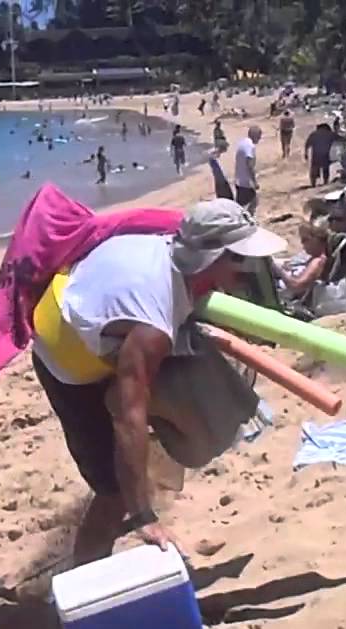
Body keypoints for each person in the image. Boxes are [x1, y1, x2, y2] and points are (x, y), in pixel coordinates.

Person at [31, 199, 286, 562]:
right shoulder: (152, 325)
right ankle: (86, 575)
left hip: (94, 315)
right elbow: (126, 411)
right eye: (239, 259)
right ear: (212, 258)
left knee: (186, 378)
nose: (247, 270)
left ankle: (136, 481)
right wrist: (142, 515)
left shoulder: (167, 246)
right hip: (66, 363)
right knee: (112, 494)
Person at [234, 125, 262, 214]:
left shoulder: (242, 143)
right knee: (253, 202)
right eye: (259, 136)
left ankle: (245, 221)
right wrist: (254, 181)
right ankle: (249, 222)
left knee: (241, 206)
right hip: (246, 182)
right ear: (255, 135)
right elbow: (249, 165)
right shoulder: (250, 146)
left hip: (238, 179)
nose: (259, 139)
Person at [305, 122, 337, 187]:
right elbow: (338, 141)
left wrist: (305, 153)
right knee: (325, 169)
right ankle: (325, 182)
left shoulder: (314, 134)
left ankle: (313, 183)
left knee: (314, 168)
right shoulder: (330, 134)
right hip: (326, 154)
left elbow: (307, 144)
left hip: (316, 154)